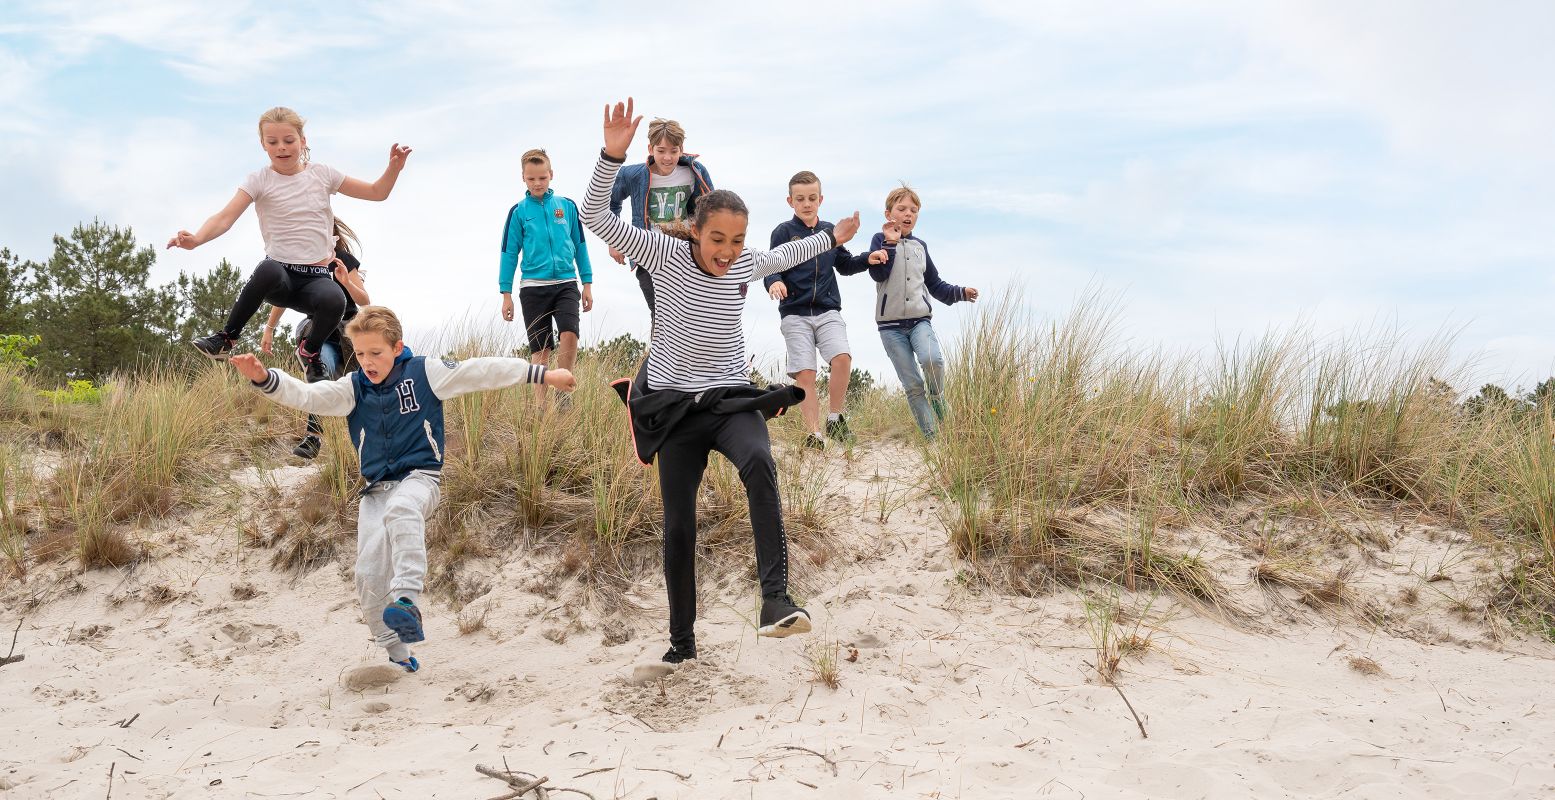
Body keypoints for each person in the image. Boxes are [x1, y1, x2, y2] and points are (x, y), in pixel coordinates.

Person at [583, 98, 867, 665]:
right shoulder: (663, 251)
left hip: (731, 398)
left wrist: (833, 236)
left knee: (761, 464)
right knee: (679, 525)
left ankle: (776, 601)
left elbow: (785, 252)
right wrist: (611, 156)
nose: (728, 253)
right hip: (674, 409)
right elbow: (595, 216)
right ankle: (681, 645)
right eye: (717, 240)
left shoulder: (741, 263)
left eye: (737, 242)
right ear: (694, 230)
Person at [229, 306, 576, 672]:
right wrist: (265, 378)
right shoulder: (353, 388)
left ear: (397, 347)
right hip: (375, 491)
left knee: (402, 510)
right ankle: (399, 655)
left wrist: (544, 374)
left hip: (420, 479)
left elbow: (481, 371)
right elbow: (309, 396)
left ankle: (408, 598)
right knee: (367, 576)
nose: (367, 362)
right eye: (360, 354)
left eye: (375, 353)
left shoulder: (426, 372)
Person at [168, 106, 411, 382]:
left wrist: (393, 169)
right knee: (267, 269)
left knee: (336, 298)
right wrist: (197, 239)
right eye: (272, 142)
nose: (281, 148)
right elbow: (225, 217)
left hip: (316, 280)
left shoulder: (322, 174)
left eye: (289, 141)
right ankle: (226, 338)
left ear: (303, 141)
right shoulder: (259, 180)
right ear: (263, 144)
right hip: (281, 278)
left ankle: (310, 352)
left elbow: (377, 193)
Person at [764, 171, 882, 450]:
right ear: (790, 201)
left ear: (821, 200)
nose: (807, 203)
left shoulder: (831, 231)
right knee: (806, 373)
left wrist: (868, 258)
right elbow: (771, 266)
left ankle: (835, 419)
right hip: (794, 312)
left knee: (842, 358)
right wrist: (775, 282)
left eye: (812, 198)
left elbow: (845, 265)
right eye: (801, 199)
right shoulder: (783, 232)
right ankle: (814, 434)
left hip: (828, 310)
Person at [866, 184, 979, 439]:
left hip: (920, 322)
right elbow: (878, 273)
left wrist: (960, 292)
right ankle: (933, 439)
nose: (908, 213)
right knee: (914, 385)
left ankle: (939, 400)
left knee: (933, 360)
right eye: (901, 208)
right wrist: (891, 244)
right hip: (890, 328)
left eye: (913, 210)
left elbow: (935, 284)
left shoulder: (921, 247)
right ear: (888, 214)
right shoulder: (879, 241)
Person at [259, 219, 371, 459]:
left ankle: (373, 435)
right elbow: (284, 296)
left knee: (366, 380)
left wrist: (346, 282)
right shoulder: (302, 261)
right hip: (322, 335)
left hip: (351, 332)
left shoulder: (342, 258)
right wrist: (269, 328)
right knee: (322, 371)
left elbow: (364, 301)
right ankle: (313, 437)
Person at [499, 148, 594, 401]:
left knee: (569, 333)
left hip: (566, 282)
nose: (537, 183)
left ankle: (563, 391)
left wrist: (587, 283)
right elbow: (509, 253)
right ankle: (540, 407)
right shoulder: (518, 212)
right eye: (532, 179)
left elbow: (581, 246)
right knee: (540, 350)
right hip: (532, 287)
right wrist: (505, 294)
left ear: (551, 174)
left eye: (542, 177)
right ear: (523, 178)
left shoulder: (567, 206)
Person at [605, 116, 713, 323]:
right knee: (661, 314)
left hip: (684, 252)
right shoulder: (633, 175)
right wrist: (613, 240)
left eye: (673, 151)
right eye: (661, 151)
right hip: (647, 251)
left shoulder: (695, 172)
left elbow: (712, 210)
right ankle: (659, 355)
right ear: (650, 148)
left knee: (688, 315)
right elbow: (610, 202)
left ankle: (677, 355)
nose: (667, 158)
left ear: (681, 149)